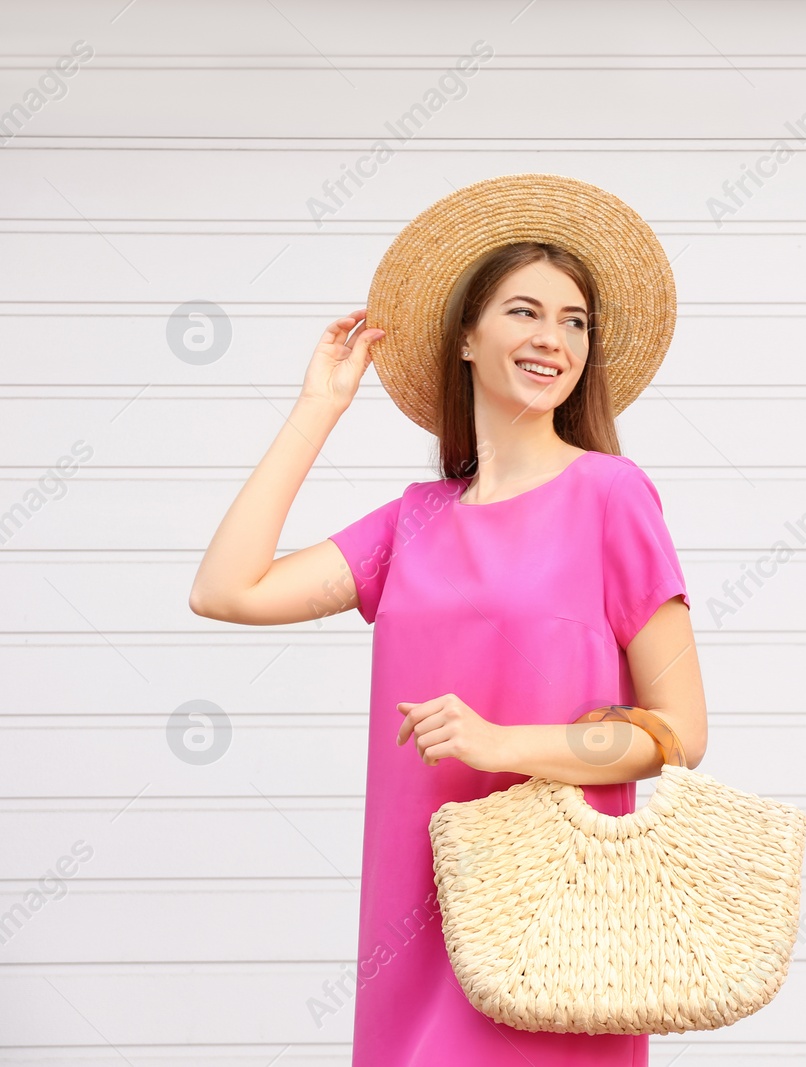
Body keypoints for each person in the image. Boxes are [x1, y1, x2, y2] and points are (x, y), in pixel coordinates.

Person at [188, 175, 704, 1065]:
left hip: (550, 923)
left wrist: (502, 743)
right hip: (411, 922)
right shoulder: (412, 521)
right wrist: (320, 409)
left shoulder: (611, 495)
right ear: (466, 337)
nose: (552, 338)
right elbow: (227, 590)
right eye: (524, 311)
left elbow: (679, 734)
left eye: (574, 320)